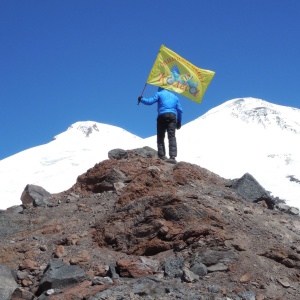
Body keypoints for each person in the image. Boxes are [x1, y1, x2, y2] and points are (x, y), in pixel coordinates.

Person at [138, 87, 183, 162]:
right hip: (172, 116)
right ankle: (172, 157)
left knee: (160, 136)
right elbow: (180, 110)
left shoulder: (159, 93)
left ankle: (162, 156)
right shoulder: (175, 97)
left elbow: (150, 102)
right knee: (172, 136)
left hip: (162, 115)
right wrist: (179, 121)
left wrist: (141, 99)